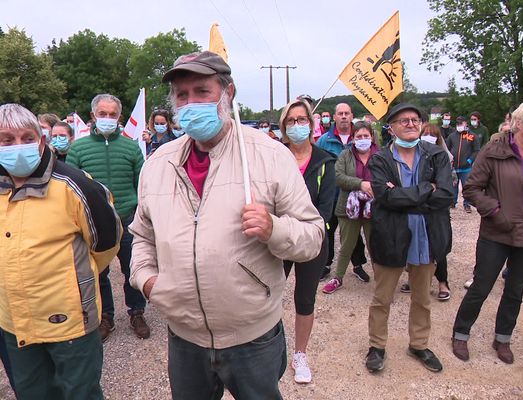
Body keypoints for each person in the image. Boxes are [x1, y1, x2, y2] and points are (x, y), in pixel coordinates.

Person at [128, 51, 324, 399]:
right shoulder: (158, 163)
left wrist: (273, 229)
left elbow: (312, 236)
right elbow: (142, 235)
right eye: (182, 95)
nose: (190, 104)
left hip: (252, 336)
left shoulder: (268, 155)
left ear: (227, 93)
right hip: (185, 337)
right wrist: (148, 281)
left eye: (202, 91)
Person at [0, 103, 121, 399]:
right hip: (15, 324)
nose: (18, 146)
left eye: (27, 138)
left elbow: (106, 242)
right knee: (32, 393)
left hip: (70, 323)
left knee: (81, 393)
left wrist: (75, 282)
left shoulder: (75, 185)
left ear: (42, 141)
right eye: (6, 139)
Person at [451, 101, 523, 364]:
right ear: (519, 124)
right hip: (497, 233)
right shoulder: (494, 149)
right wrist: (497, 213)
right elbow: (473, 189)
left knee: (515, 290)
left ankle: (503, 338)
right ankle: (461, 333)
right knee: (482, 286)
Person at [366, 104, 453, 374]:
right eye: (403, 121)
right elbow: (385, 196)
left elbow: (447, 195)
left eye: (416, 120)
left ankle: (419, 344)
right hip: (391, 235)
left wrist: (404, 196)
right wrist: (428, 189)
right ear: (390, 127)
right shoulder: (380, 159)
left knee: (422, 299)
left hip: (426, 236)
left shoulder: (437, 155)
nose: (411, 124)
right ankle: (377, 346)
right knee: (382, 297)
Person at [67, 94, 149, 342]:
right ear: (93, 116)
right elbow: (69, 188)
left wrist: (141, 214)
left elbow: (142, 184)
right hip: (94, 222)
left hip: (127, 218)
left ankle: (137, 312)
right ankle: (105, 317)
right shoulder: (78, 149)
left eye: (112, 114)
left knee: (131, 270)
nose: (107, 119)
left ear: (119, 117)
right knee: (98, 272)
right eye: (102, 114)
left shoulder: (131, 147)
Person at [279, 98, 335, 383]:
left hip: (313, 240)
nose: (296, 125)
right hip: (279, 238)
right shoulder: (276, 156)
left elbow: (325, 209)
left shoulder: (325, 161)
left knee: (305, 298)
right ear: (283, 126)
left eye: (302, 120)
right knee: (270, 294)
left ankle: (300, 354)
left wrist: (305, 230)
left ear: (311, 125)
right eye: (291, 121)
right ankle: (269, 349)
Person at [322, 121, 378, 294]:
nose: (362, 139)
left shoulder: (381, 155)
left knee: (374, 246)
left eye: (365, 136)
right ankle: (338, 277)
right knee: (347, 245)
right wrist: (361, 184)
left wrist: (375, 186)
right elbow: (338, 177)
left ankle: (382, 282)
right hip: (348, 209)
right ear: (353, 138)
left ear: (371, 137)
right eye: (359, 136)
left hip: (374, 209)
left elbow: (388, 176)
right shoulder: (346, 155)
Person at [400, 122, 454, 301]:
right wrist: (426, 189)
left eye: (432, 134)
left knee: (437, 249)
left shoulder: (442, 156)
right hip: (413, 214)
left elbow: (445, 192)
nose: (428, 136)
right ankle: (414, 278)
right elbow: (400, 190)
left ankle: (443, 282)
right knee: (411, 245)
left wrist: (412, 198)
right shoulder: (410, 155)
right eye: (426, 133)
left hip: (435, 213)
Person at [316, 103, 368, 281]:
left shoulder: (360, 138)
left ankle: (357, 265)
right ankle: (326, 265)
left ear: (352, 115)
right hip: (331, 196)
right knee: (328, 233)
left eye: (347, 113)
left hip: (355, 196)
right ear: (334, 117)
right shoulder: (324, 140)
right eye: (340, 113)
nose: (344, 116)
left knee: (354, 235)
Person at [446, 116, 480, 212]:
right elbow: (447, 149)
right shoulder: (452, 136)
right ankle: (452, 202)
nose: (459, 126)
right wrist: (450, 160)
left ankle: (467, 204)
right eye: (458, 124)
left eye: (461, 124)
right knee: (453, 186)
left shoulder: (472, 136)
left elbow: (476, 150)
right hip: (454, 167)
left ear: (466, 124)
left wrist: (469, 161)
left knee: (467, 186)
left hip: (466, 168)